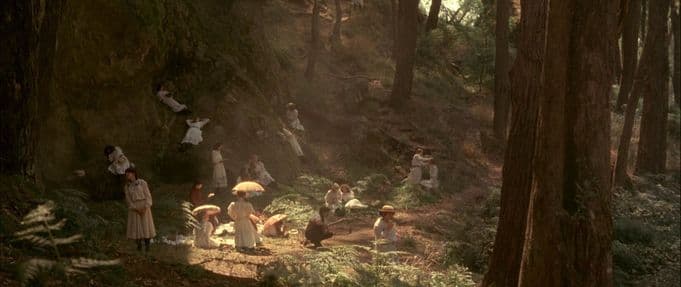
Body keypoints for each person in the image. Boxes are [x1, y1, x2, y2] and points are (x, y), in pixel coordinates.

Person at [124, 168, 156, 252]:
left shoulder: (142, 182)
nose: (127, 176)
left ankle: (147, 247)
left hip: (144, 206)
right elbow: (128, 200)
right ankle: (139, 247)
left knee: (146, 226)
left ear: (133, 173)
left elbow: (148, 195)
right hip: (134, 207)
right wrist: (135, 209)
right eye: (126, 174)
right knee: (136, 227)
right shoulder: (127, 186)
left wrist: (145, 207)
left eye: (129, 173)